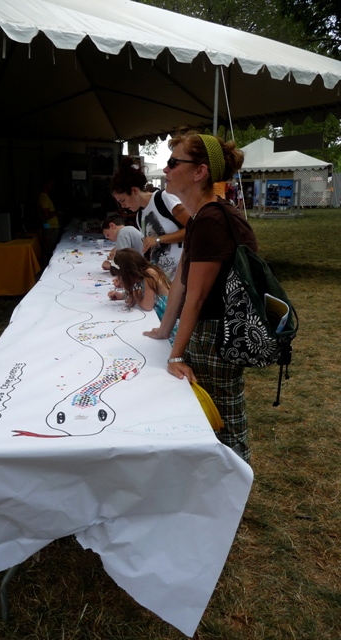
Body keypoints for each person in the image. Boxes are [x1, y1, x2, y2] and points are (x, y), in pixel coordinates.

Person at [144, 131, 258, 463]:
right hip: (208, 332)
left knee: (223, 419)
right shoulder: (202, 217)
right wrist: (166, 332)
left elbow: (196, 296)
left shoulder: (210, 220)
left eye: (173, 162)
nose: (166, 170)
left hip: (217, 334)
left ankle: (235, 486)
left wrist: (175, 356)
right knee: (210, 415)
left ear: (199, 172)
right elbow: (180, 279)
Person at [111, 157, 187, 280]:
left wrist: (158, 239)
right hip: (163, 280)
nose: (123, 206)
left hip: (182, 278)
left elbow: (195, 227)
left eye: (122, 200)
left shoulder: (164, 199)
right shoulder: (140, 216)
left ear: (134, 191)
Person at [108, 248, 177, 344]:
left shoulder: (149, 273)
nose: (119, 279)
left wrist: (136, 296)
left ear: (128, 272)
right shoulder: (142, 275)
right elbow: (143, 292)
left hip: (171, 324)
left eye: (120, 276)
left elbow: (147, 305)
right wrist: (124, 295)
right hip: (162, 319)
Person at [38, 177, 62, 267]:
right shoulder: (43, 197)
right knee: (47, 250)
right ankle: (46, 269)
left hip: (51, 227)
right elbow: (47, 215)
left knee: (49, 250)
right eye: (51, 184)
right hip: (50, 227)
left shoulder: (46, 196)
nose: (52, 187)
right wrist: (56, 212)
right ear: (45, 184)